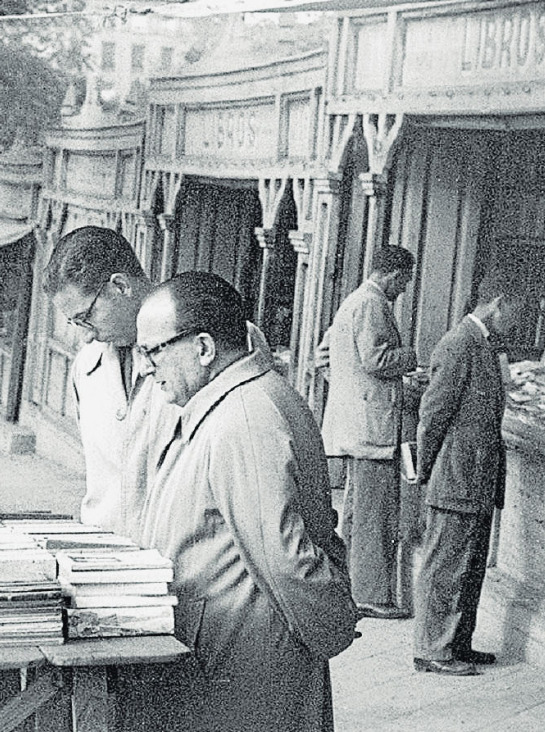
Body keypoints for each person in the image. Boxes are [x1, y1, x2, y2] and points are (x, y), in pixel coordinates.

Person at [134, 272, 356, 732]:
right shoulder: (230, 404)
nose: (146, 366)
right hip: (225, 659)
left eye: (154, 350)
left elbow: (286, 560)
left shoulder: (242, 417)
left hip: (245, 672)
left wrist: (333, 624)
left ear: (203, 348)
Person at [41, 225, 269, 536]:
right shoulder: (86, 365)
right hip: (106, 561)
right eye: (73, 322)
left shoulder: (215, 339)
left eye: (86, 317)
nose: (85, 334)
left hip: (185, 566)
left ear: (120, 286)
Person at [411, 279, 529, 677]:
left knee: (469, 566)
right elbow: (433, 414)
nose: (519, 321)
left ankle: (457, 641)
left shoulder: (483, 345)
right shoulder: (458, 343)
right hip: (456, 476)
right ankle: (433, 649)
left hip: (475, 478)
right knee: (445, 566)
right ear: (498, 303)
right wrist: (425, 469)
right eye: (518, 310)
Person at [319, 245, 418, 620]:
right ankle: (372, 596)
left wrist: (348, 389)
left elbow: (323, 354)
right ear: (392, 274)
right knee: (375, 516)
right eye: (405, 280)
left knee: (358, 514)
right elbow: (377, 360)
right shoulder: (373, 304)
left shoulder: (353, 302)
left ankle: (352, 589)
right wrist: (410, 357)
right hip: (372, 429)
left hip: (356, 423)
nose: (405, 288)